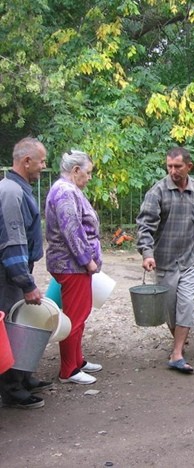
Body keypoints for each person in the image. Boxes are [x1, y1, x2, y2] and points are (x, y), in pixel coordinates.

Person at [136, 147, 194, 374]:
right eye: (169, 166)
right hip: (165, 260)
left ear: (189, 167)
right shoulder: (158, 192)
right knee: (170, 310)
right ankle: (179, 338)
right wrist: (147, 253)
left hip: (191, 258)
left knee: (186, 305)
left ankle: (177, 353)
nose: (173, 171)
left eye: (178, 166)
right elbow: (145, 226)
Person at [0, 137, 52, 409]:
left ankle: (23, 376)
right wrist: (26, 282)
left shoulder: (19, 188)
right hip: (7, 276)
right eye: (41, 161)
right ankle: (11, 389)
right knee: (10, 325)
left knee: (21, 323)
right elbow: (13, 242)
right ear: (26, 161)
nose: (44, 166)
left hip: (14, 273)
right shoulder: (11, 192)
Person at [46, 150, 103, 385]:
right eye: (87, 173)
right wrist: (87, 260)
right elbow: (72, 230)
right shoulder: (65, 192)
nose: (89, 177)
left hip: (73, 265)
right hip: (71, 266)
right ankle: (68, 370)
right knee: (75, 317)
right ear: (76, 170)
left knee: (80, 313)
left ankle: (77, 360)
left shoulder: (68, 190)